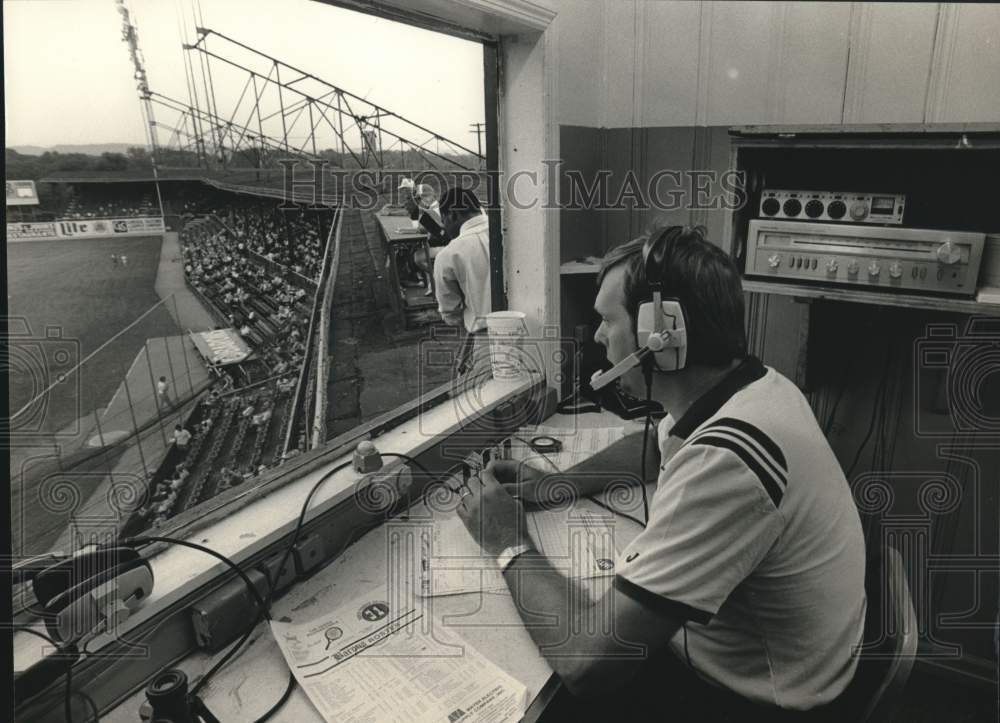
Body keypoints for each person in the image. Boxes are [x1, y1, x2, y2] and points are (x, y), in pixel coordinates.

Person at [455, 225, 867, 722]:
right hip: (790, 662)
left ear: (662, 334)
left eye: (608, 320)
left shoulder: (725, 463)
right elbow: (655, 445)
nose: (601, 335)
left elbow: (587, 663)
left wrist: (507, 542)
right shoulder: (752, 388)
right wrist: (550, 485)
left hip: (754, 701)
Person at [433, 187, 492, 374]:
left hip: (487, 342)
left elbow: (450, 312)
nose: (443, 227)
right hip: (531, 326)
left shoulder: (449, 253)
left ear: (451, 214)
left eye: (443, 220)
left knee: (488, 396)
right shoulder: (511, 229)